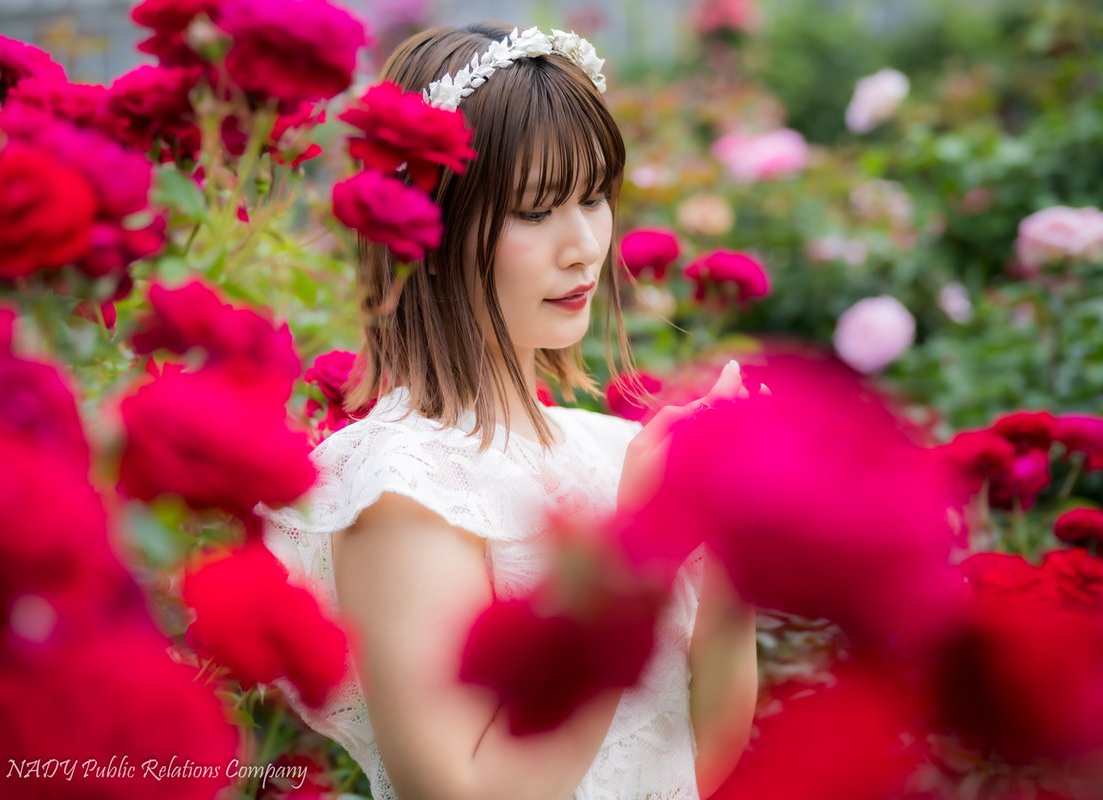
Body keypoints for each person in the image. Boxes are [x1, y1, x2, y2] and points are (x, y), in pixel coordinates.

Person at [261, 21, 758, 800]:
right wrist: (632, 556)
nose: (584, 245)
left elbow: (698, 757)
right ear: (434, 225)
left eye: (594, 198)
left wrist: (729, 543)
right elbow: (464, 790)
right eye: (535, 211)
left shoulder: (606, 451)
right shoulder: (404, 486)